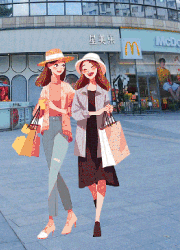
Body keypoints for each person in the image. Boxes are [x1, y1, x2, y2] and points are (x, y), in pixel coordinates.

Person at [71, 53, 118, 238]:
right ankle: (97, 203)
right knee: (90, 180)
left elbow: (106, 109)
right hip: (84, 136)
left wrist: (108, 109)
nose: (89, 70)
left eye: (92, 67)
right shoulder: (79, 91)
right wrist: (95, 112)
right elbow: (75, 113)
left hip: (101, 137)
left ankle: (97, 219)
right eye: (85, 68)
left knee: (102, 178)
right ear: (82, 71)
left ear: (98, 69)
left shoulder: (104, 90)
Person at [34, 49, 77, 239]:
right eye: (56, 64)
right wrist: (42, 108)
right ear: (49, 67)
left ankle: (53, 221)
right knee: (53, 173)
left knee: (53, 173)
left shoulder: (68, 88)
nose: (60, 67)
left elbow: (76, 107)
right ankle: (68, 214)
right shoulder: (45, 89)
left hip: (61, 128)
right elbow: (39, 109)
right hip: (46, 129)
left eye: (62, 64)